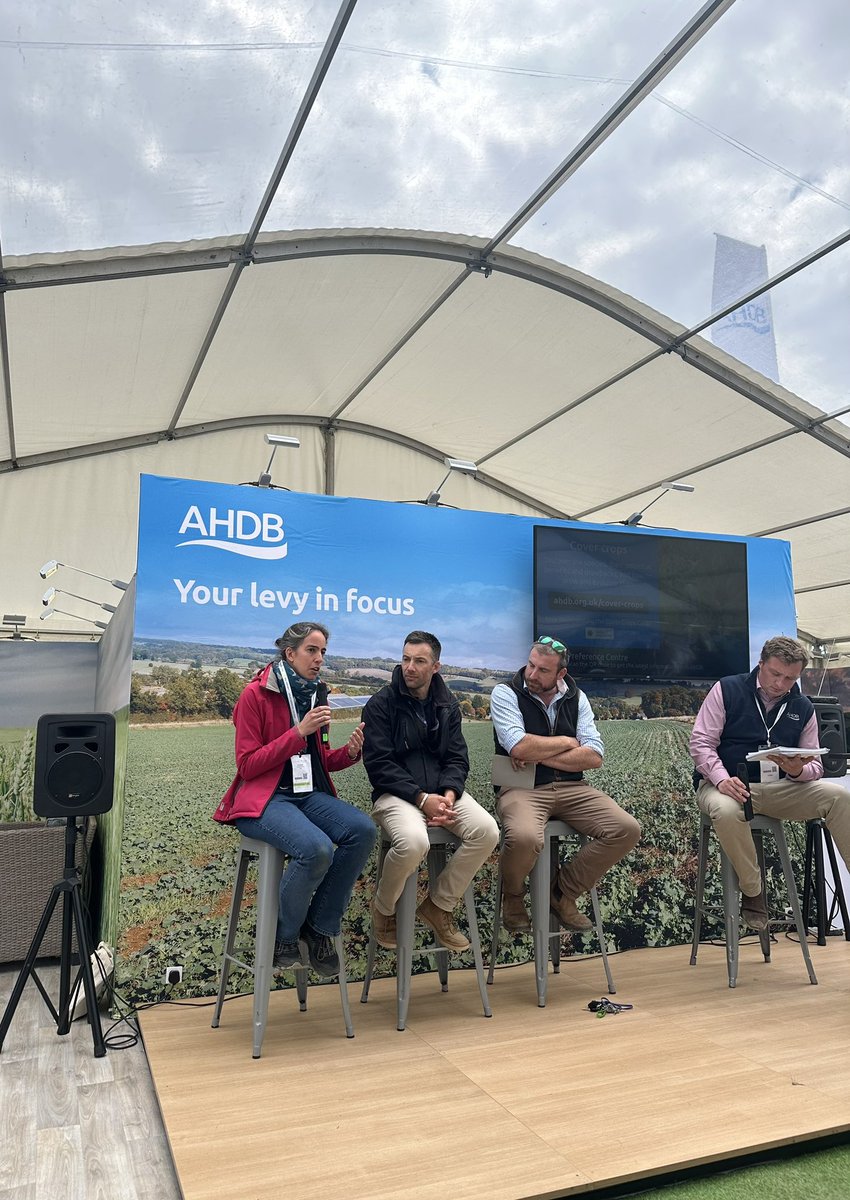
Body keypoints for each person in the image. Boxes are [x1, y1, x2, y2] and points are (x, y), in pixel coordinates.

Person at [214, 622, 375, 976]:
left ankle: (319, 927)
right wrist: (297, 732)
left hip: (306, 795)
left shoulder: (317, 694)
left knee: (363, 830)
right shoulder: (254, 696)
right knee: (316, 848)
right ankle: (284, 936)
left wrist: (350, 753)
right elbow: (247, 765)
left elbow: (320, 759)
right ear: (290, 653)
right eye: (312, 651)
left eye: (323, 653)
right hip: (263, 801)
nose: (319, 659)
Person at [690, 634, 850, 930]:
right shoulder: (727, 689)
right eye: (775, 674)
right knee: (725, 810)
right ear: (760, 664)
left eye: (790, 678)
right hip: (723, 786)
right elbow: (701, 744)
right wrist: (722, 780)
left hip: (778, 789)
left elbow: (815, 766)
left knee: (838, 795)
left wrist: (797, 770)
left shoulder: (802, 706)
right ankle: (753, 891)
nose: (780, 684)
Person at [490, 636, 641, 932]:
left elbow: (595, 756)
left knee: (626, 829)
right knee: (524, 837)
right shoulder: (504, 693)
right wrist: (566, 742)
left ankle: (561, 893)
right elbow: (518, 746)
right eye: (531, 665)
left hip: (574, 789)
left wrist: (536, 753)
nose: (532, 674)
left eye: (543, 670)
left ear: (561, 674)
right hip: (521, 787)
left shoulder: (576, 697)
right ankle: (514, 896)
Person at [362, 631, 499, 952]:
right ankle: (383, 910)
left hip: (441, 793)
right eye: (406, 659)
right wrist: (422, 799)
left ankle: (439, 906)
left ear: (435, 666)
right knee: (414, 842)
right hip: (394, 795)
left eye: (419, 661)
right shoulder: (381, 704)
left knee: (487, 831)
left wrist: (449, 794)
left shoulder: (447, 704)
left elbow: (456, 757)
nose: (409, 667)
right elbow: (380, 764)